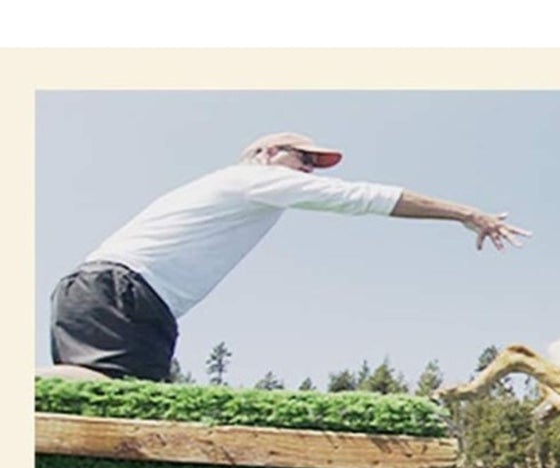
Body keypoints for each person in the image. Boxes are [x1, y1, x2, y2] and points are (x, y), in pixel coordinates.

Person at [45, 132, 530, 382]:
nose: (310, 171)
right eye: (304, 159)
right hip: (120, 291)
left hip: (114, 294)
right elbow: (363, 198)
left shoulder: (242, 190)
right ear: (267, 152)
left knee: (104, 405)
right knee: (113, 392)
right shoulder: (252, 178)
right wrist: (467, 213)